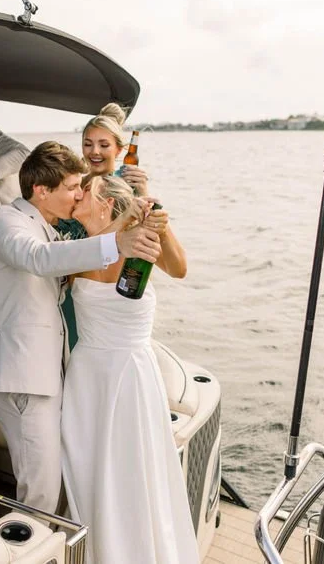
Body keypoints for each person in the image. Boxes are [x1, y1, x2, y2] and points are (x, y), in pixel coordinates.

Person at [0, 141, 162, 515]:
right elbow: (38, 259)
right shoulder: (6, 221)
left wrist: (130, 217)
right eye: (72, 187)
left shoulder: (48, 228)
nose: (79, 193)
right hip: (23, 376)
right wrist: (117, 241)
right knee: (41, 491)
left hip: (51, 374)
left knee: (53, 483)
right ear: (41, 190)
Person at [60, 174, 195, 564]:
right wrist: (121, 223)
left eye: (86, 190)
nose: (78, 194)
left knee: (132, 468)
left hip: (132, 374)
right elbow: (62, 266)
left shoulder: (142, 242)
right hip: (88, 376)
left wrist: (160, 225)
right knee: (89, 467)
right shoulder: (77, 247)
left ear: (105, 203)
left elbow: (180, 269)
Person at [57, 102, 181, 349]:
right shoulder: (72, 192)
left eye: (104, 145)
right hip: (72, 301)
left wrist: (148, 201)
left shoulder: (129, 195)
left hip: (115, 305)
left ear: (120, 150)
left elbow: (175, 268)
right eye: (88, 144)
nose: (94, 152)